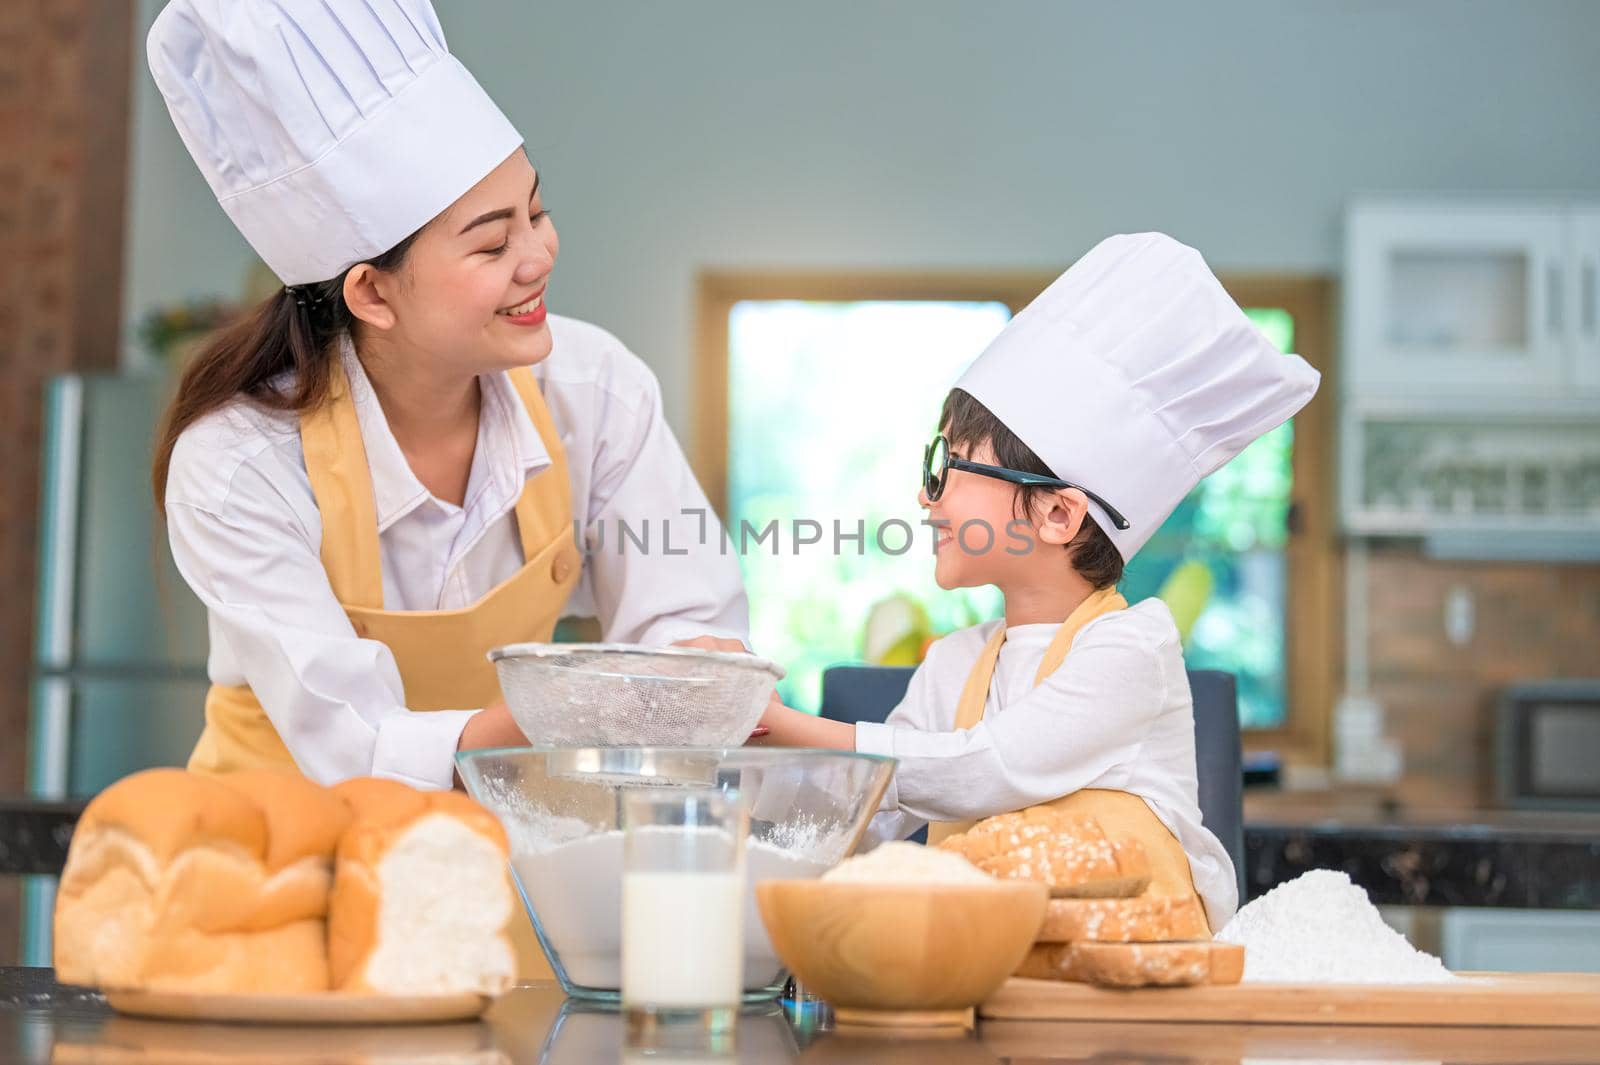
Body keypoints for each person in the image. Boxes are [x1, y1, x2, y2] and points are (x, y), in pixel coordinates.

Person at [147, 0, 747, 791]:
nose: (538, 256)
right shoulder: (238, 464)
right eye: (493, 243)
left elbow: (688, 621)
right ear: (371, 293)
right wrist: (586, 702)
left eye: (536, 211)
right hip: (275, 861)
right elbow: (356, 746)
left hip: (476, 850)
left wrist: (689, 666)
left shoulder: (594, 391)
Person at [756, 233, 1320, 930]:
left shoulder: (1131, 650)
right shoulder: (954, 664)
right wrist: (754, 750)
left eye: (950, 467)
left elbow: (984, 768)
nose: (925, 496)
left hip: (1138, 1007)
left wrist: (789, 725)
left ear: (1057, 512)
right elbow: (863, 815)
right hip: (993, 986)